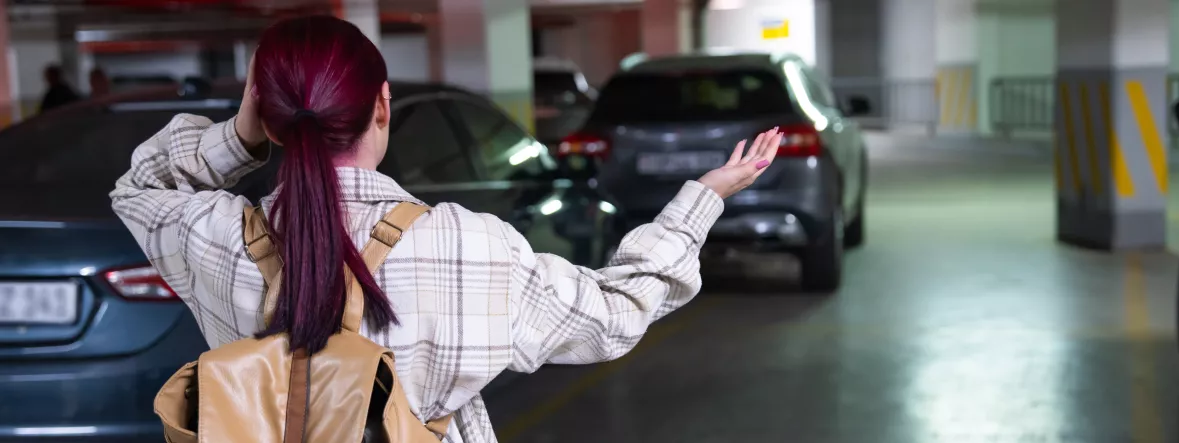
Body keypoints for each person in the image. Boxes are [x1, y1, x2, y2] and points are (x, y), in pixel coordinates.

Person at [109, 15, 780, 443]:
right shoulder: (467, 246)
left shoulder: (215, 236)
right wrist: (701, 198)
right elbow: (618, 311)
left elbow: (139, 187)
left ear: (269, 113)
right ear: (382, 105)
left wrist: (240, 131)